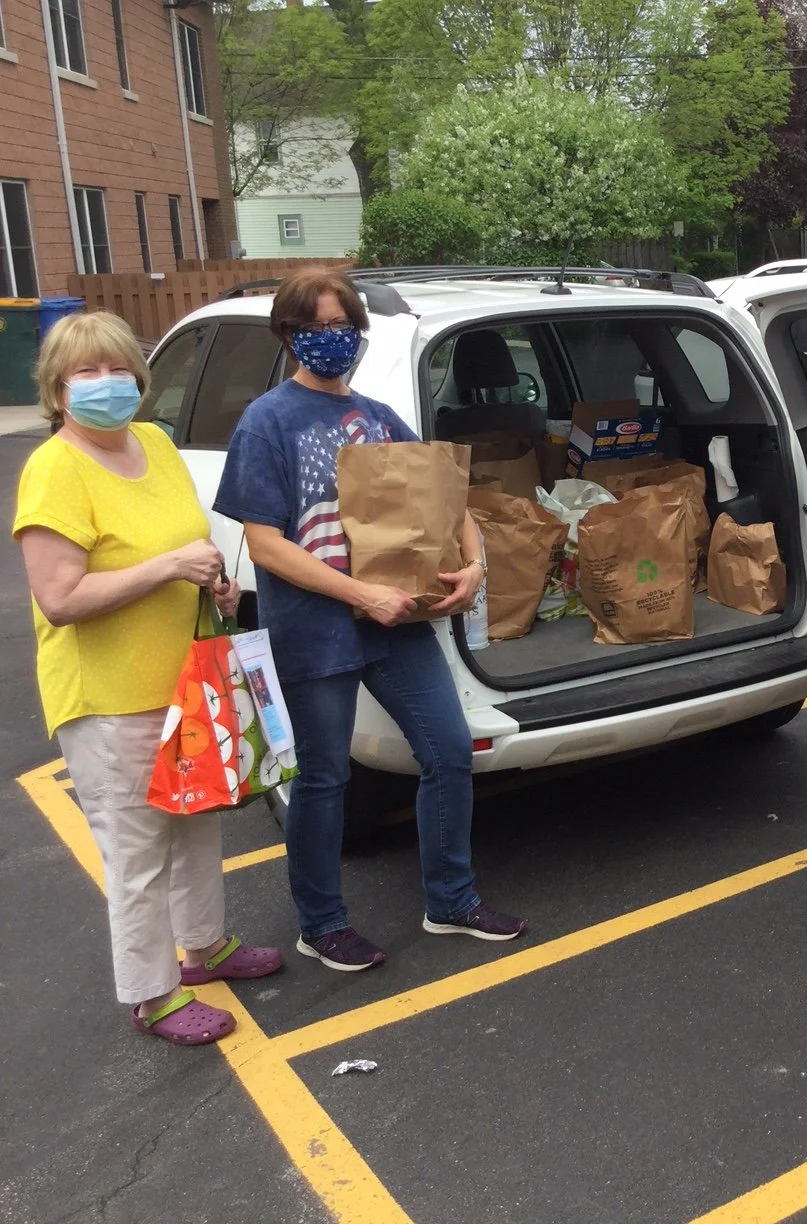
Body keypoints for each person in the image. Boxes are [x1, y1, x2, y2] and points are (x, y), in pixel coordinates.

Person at [214, 268, 524, 973]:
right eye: (318, 328)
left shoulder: (379, 418)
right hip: (318, 629)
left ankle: (451, 900)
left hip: (397, 624)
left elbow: (446, 501)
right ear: (290, 335)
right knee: (324, 779)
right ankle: (320, 923)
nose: (334, 340)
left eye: (344, 326)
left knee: (447, 752)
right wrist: (361, 596)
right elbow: (265, 544)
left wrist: (473, 567)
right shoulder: (268, 421)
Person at [14, 312, 283, 1046]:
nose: (107, 385)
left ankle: (204, 948)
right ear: (56, 389)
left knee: (194, 825)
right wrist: (167, 568)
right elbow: (60, 600)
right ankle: (152, 994)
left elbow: (186, 540)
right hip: (108, 698)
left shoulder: (155, 443)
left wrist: (213, 581)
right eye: (85, 373)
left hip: (182, 684)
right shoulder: (56, 470)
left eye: (119, 369)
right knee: (136, 853)